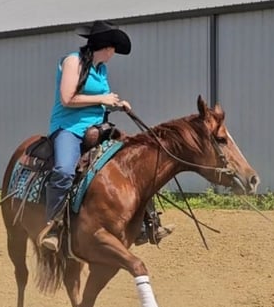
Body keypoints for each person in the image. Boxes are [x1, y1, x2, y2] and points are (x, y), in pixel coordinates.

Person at [41, 20, 174, 252]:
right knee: (63, 170)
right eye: (113, 48)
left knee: (134, 165)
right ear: (105, 46)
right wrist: (102, 99)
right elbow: (67, 99)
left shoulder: (101, 69)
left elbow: (101, 102)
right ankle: (53, 226)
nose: (114, 53)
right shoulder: (72, 61)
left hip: (97, 129)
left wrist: (116, 104)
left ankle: (148, 224)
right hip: (69, 129)